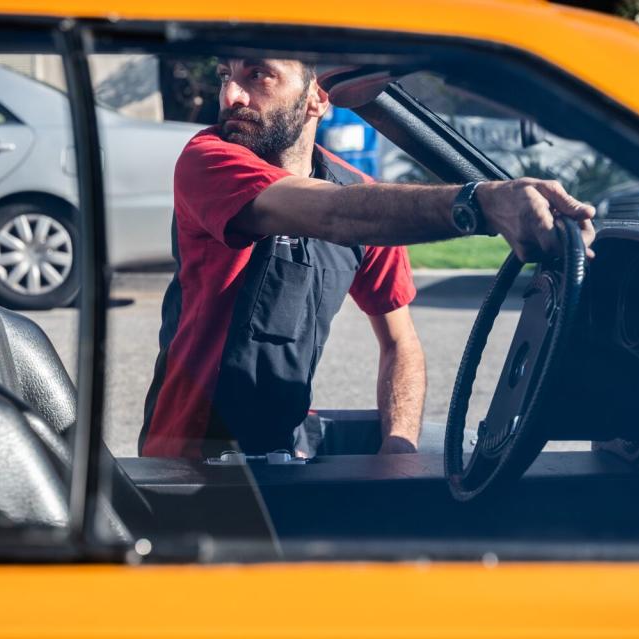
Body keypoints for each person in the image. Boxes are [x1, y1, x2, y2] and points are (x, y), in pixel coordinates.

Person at [139, 58, 595, 459]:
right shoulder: (207, 160)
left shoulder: (362, 201)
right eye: (226, 75)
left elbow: (400, 344)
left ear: (317, 98)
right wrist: (481, 203)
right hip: (187, 459)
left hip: (280, 452)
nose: (230, 95)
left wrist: (398, 447)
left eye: (258, 74)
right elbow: (331, 214)